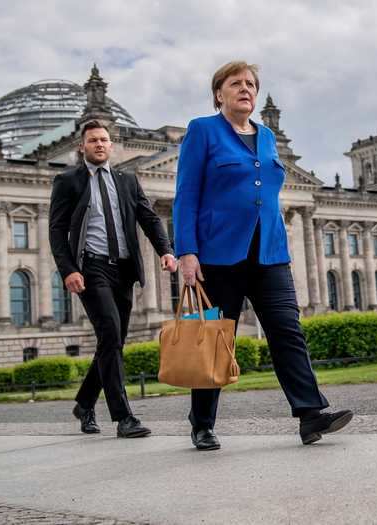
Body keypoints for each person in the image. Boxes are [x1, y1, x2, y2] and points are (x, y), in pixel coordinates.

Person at [173, 61, 354, 450]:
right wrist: (187, 251)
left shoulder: (268, 136)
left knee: (288, 330)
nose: (245, 89)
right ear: (218, 92)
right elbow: (186, 194)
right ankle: (202, 423)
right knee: (216, 339)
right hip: (219, 254)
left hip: (269, 251)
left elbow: (265, 190)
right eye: (236, 83)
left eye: (251, 84)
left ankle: (310, 414)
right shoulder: (202, 130)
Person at [50, 120, 177, 438]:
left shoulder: (127, 180)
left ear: (111, 145)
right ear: (82, 146)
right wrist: (69, 269)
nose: (99, 144)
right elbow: (56, 229)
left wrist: (165, 249)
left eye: (104, 140)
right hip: (92, 268)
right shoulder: (67, 181)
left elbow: (148, 216)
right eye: (93, 140)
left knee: (112, 341)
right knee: (109, 333)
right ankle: (124, 417)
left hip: (123, 270)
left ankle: (85, 403)